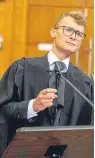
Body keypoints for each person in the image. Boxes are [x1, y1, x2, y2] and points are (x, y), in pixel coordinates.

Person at [0, 11, 94, 156]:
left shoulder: (84, 83)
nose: (73, 36)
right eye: (68, 29)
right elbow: (3, 109)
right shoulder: (22, 69)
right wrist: (32, 106)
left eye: (79, 34)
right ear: (53, 32)